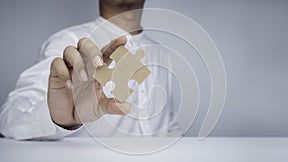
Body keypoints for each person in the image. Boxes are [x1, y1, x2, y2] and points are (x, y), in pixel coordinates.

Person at [0, 0, 179, 140]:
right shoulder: (67, 42)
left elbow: (168, 126)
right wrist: (58, 118)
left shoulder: (162, 54)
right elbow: (9, 120)